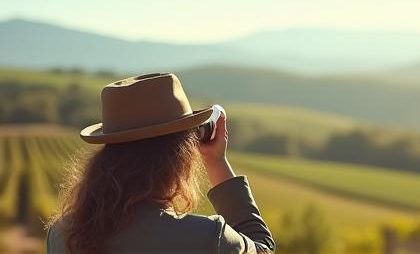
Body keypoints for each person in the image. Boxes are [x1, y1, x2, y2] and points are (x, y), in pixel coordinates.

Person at [46, 73, 275, 253]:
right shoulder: (209, 238)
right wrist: (216, 161)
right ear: (180, 155)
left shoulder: (62, 235)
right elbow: (262, 249)